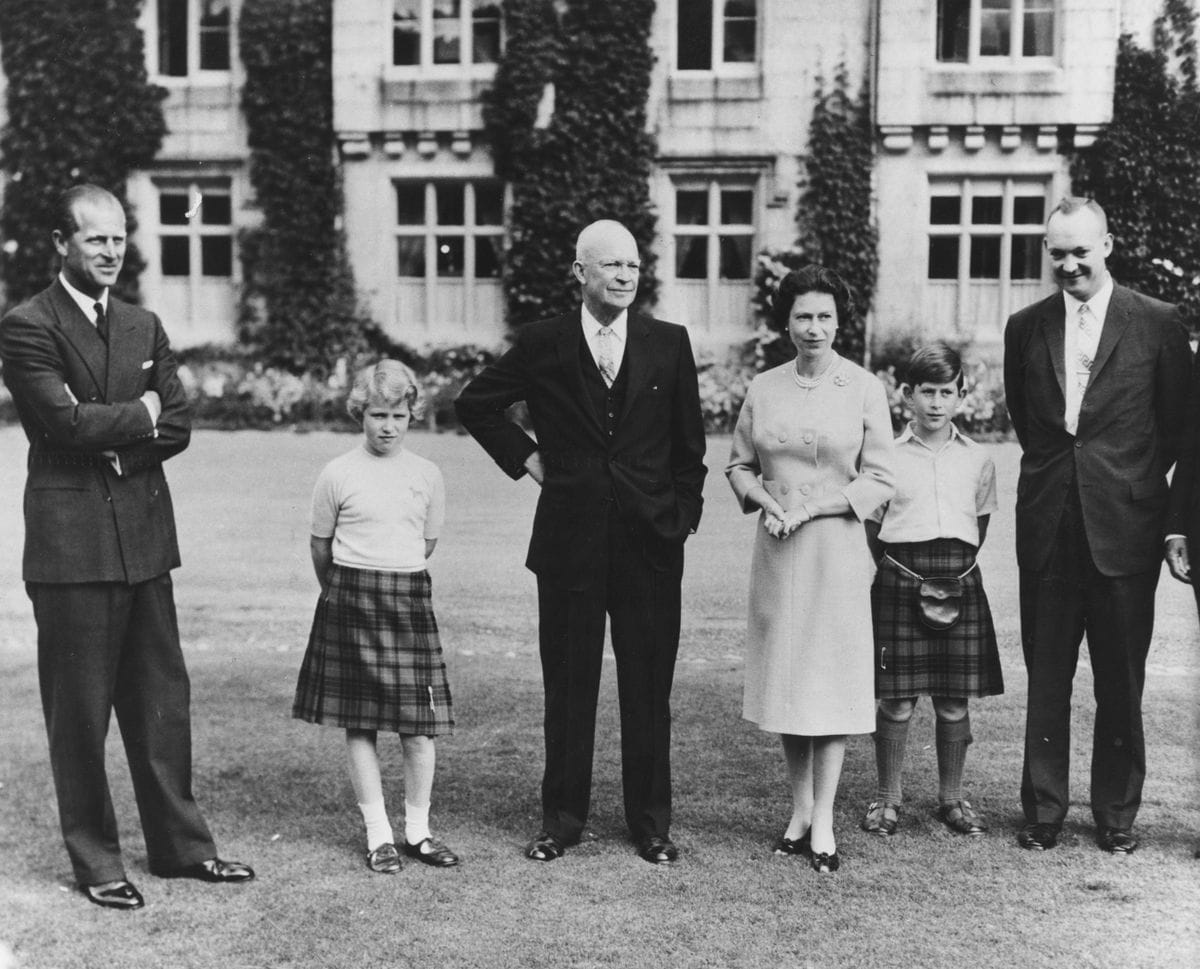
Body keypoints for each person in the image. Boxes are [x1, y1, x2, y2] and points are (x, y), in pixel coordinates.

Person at [0, 184, 253, 911]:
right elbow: (61, 425)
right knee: (79, 712)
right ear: (60, 243)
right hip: (71, 550)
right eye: (94, 240)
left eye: (118, 238)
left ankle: (181, 848)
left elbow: (177, 424)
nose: (110, 252)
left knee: (161, 703)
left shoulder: (143, 323)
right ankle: (96, 859)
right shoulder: (26, 325)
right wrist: (135, 416)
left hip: (144, 542)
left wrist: (124, 435)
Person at [454, 219, 706, 865]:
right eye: (611, 265)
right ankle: (561, 821)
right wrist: (532, 461)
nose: (625, 276)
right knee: (569, 687)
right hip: (569, 543)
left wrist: (679, 518)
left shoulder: (668, 343)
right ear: (580, 272)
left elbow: (689, 450)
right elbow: (476, 403)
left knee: (649, 690)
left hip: (651, 546)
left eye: (632, 266)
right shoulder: (543, 343)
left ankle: (650, 824)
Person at [1003, 196, 1191, 853]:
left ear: (1107, 245)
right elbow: (1032, 426)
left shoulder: (1158, 322)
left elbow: (1174, 428)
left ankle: (1116, 814)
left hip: (1124, 528)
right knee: (1047, 677)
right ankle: (1044, 811)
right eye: (1057, 252)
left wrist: (1125, 485)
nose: (1069, 263)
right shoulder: (1024, 326)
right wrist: (1066, 480)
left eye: (1081, 250)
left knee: (1121, 680)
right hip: (1049, 526)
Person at [726, 265, 894, 873]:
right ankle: (799, 810)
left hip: (836, 550)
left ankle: (824, 817)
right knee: (789, 683)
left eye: (825, 316)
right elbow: (739, 465)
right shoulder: (765, 386)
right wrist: (771, 504)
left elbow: (880, 477)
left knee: (829, 681)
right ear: (786, 321)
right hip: (777, 550)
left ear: (839, 320)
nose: (814, 328)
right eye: (803, 316)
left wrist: (812, 509)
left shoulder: (864, 387)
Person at [293, 360, 459, 874]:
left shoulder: (427, 474)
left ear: (413, 416)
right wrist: (340, 593)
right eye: (377, 415)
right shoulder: (337, 472)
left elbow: (426, 542)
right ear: (359, 414)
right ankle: (378, 834)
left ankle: (418, 831)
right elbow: (321, 546)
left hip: (407, 598)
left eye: (399, 416)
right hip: (350, 599)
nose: (388, 426)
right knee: (360, 724)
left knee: (419, 729)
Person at [860, 343, 1003, 840]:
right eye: (927, 392)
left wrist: (949, 571)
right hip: (901, 576)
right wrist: (905, 572)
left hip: (958, 578)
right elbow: (873, 530)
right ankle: (887, 799)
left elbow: (979, 524)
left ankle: (951, 799)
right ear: (906, 395)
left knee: (953, 700)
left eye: (947, 392)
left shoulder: (979, 458)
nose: (937, 403)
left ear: (961, 395)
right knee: (897, 700)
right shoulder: (886, 457)